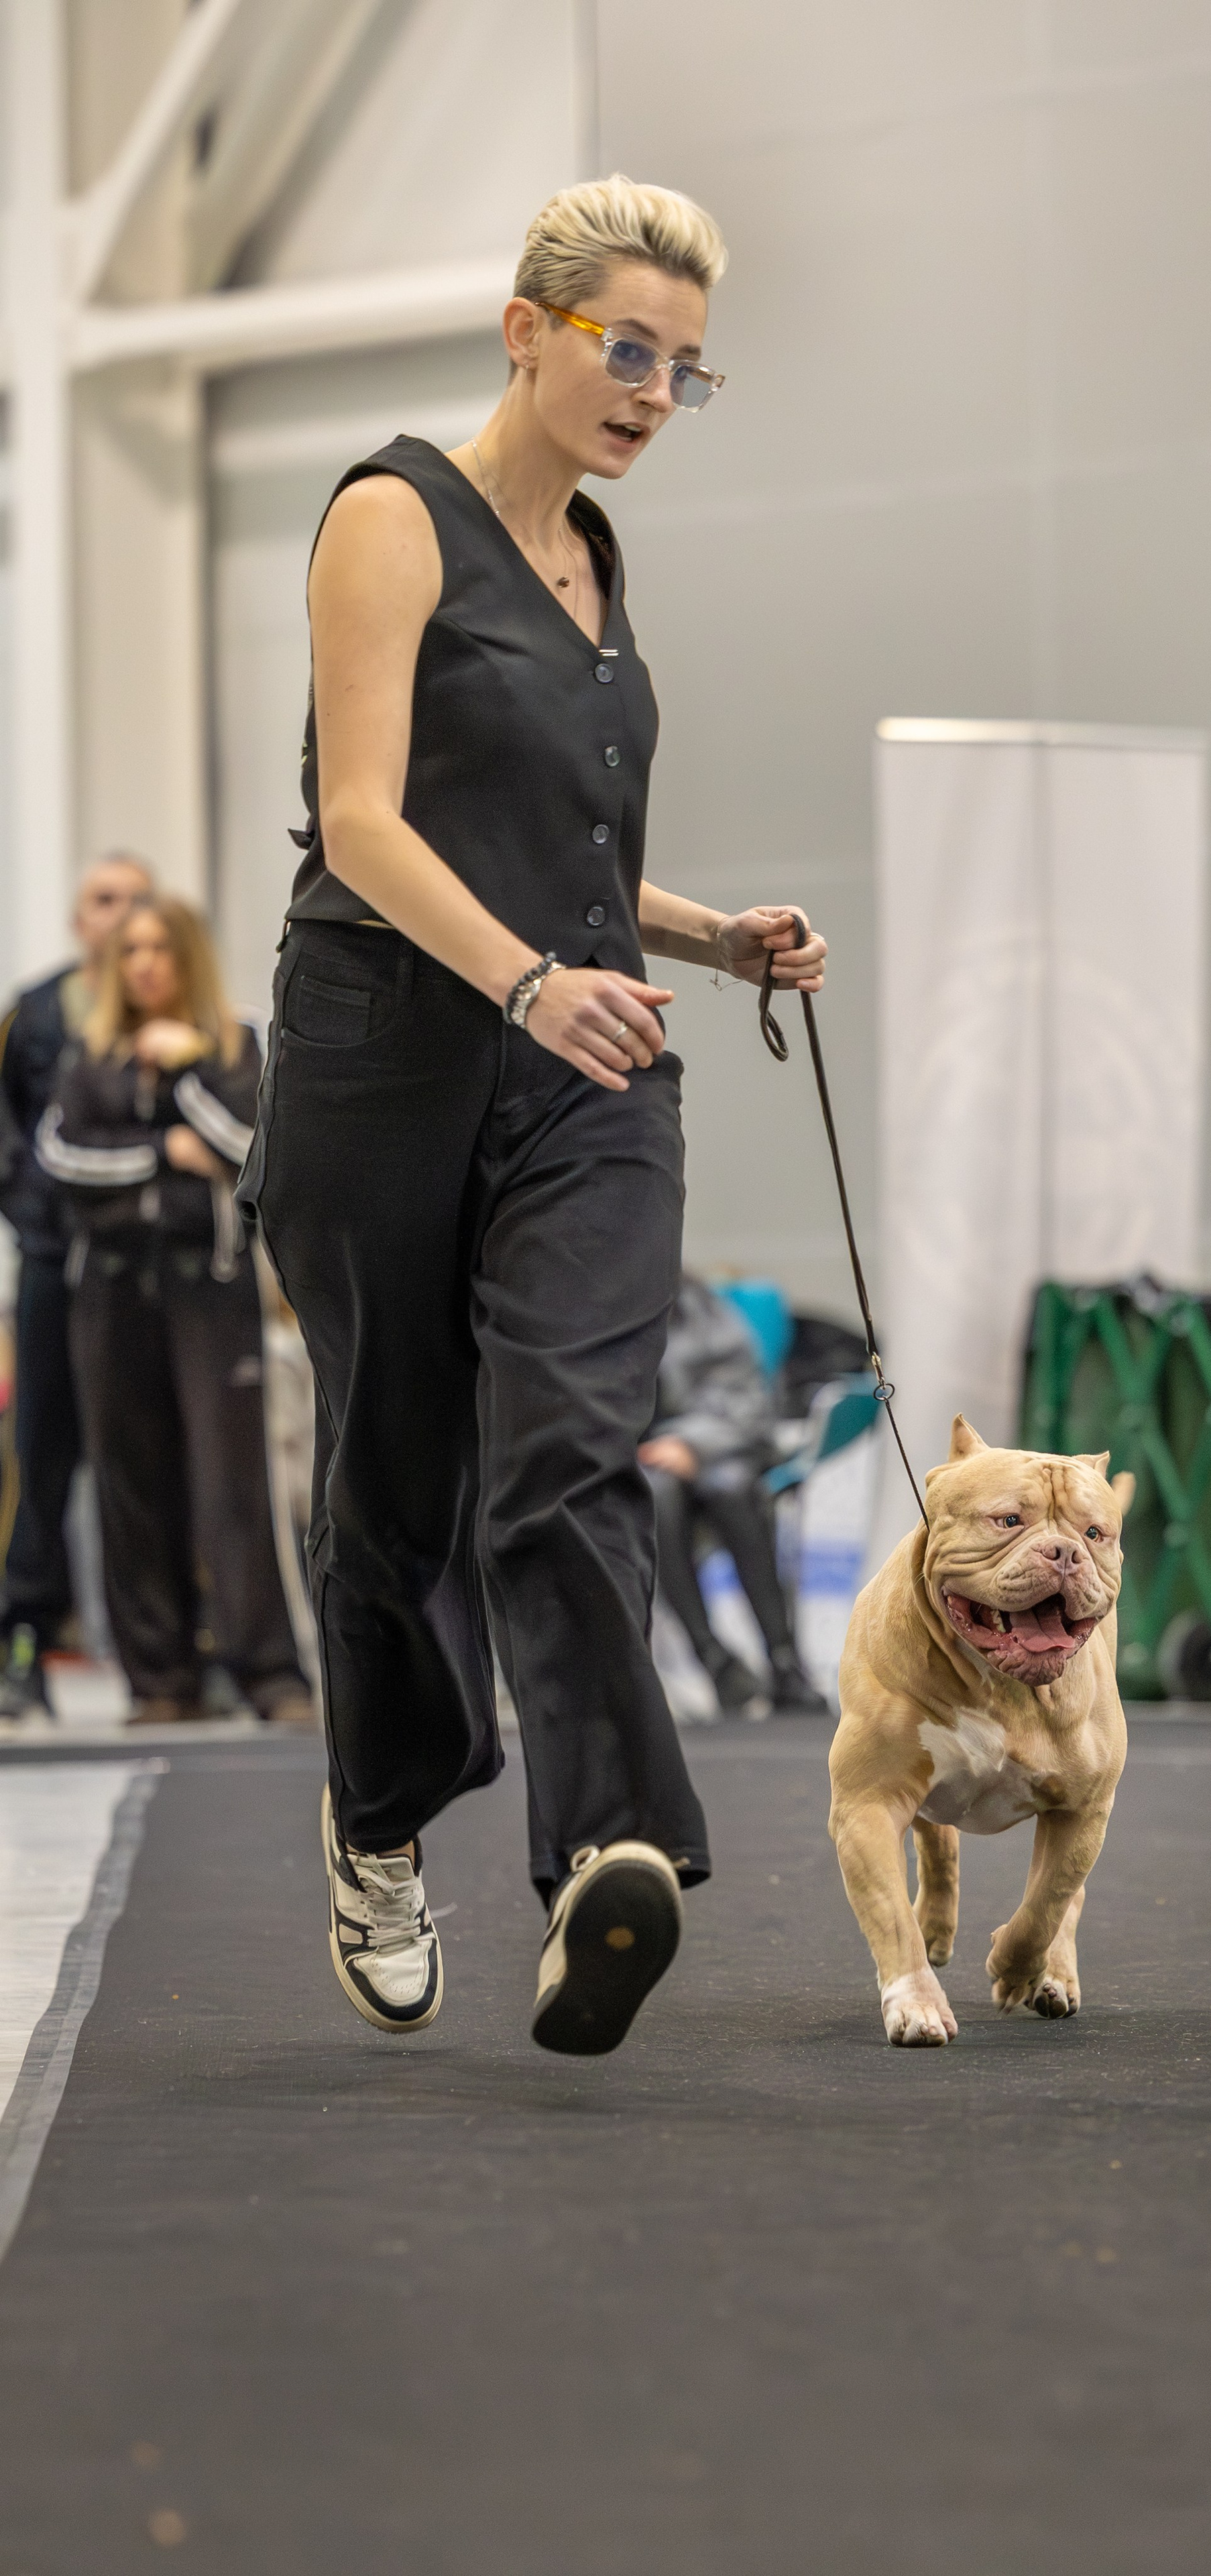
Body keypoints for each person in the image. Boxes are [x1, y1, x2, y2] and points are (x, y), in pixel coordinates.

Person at [239, 175, 828, 2055]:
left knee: (574, 1441)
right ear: (527, 330)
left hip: (585, 1066)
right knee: (396, 1483)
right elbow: (368, 824)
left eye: (686, 369)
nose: (656, 390)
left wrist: (711, 935)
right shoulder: (389, 516)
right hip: (384, 1059)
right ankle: (383, 1825)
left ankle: (606, 1860)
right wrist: (523, 980)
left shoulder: (597, 554)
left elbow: (562, 861)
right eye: (627, 351)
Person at [42, 897, 312, 1728]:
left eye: (162, 947)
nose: (147, 964)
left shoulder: (233, 1045)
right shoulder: (88, 1058)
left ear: (186, 956)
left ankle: (269, 1675)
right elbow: (64, 1159)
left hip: (209, 1287)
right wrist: (163, 1154)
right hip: (113, 1290)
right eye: (132, 951)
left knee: (231, 1483)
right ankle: (160, 1679)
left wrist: (190, 1072)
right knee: (132, 1483)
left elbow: (254, 1149)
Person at [0, 851, 154, 1716]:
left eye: (136, 900)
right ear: (78, 916)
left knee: (151, 1456)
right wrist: (38, 1217)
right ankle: (23, 1638)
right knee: (42, 1456)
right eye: (104, 899)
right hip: (57, 1267)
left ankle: (171, 1650)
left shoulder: (177, 1015)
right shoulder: (33, 1011)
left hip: (148, 1274)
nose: (121, 913)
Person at [642, 1275, 829, 1718]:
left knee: (730, 1487)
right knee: (655, 1492)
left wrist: (690, 1444)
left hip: (726, 1445)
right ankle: (715, 1661)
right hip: (647, 1457)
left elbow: (747, 1399)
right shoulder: (597, 1308)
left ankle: (784, 1659)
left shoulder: (701, 1309)